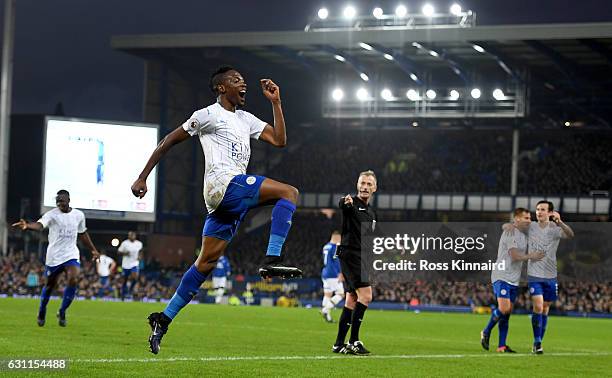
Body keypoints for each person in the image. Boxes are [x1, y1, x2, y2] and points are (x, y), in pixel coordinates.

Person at [131, 66, 301, 354]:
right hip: (224, 185)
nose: (243, 84)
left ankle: (163, 319)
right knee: (289, 192)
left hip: (224, 202)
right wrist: (143, 176)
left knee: (205, 263)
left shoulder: (245, 119)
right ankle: (272, 258)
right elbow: (168, 141)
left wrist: (276, 102)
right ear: (221, 88)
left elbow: (280, 140)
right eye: (236, 80)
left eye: (243, 81)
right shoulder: (207, 115)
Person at [12, 190, 99, 327]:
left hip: (71, 254)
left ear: (68, 200)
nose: (60, 204)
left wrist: (93, 250)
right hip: (54, 257)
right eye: (57, 201)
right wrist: (28, 225)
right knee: (50, 286)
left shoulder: (78, 215)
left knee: (73, 279)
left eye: (62, 201)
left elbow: (83, 234)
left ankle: (62, 311)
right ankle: (42, 310)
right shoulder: (51, 215)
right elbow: (40, 225)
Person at [480, 208, 544, 353]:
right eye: (526, 218)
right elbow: (514, 255)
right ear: (517, 219)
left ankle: (502, 346)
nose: (529, 220)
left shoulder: (525, 233)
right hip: (501, 275)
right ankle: (486, 331)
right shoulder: (510, 232)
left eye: (530, 218)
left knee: (507, 312)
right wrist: (532, 256)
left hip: (514, 279)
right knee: (503, 308)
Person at [332, 170, 377, 355]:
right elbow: (343, 204)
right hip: (350, 255)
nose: (365, 187)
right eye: (362, 183)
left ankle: (339, 343)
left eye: (369, 184)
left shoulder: (371, 213)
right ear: (357, 184)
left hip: (362, 257)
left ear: (374, 188)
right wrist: (345, 202)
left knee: (352, 299)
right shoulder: (351, 204)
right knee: (366, 296)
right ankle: (354, 341)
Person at [527, 200, 574, 354]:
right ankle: (537, 341)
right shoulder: (530, 226)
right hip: (534, 274)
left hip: (550, 275)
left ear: (550, 212)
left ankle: (538, 342)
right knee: (539, 306)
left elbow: (570, 234)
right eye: (537, 209)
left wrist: (560, 222)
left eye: (542, 209)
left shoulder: (554, 229)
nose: (539, 212)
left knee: (545, 308)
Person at [321, 231, 344, 323]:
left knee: (328, 294)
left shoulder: (326, 246)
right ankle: (325, 310)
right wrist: (339, 273)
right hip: (332, 274)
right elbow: (336, 261)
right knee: (341, 294)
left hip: (325, 272)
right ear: (337, 237)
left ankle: (328, 317)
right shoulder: (335, 247)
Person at [117, 231, 142, 299]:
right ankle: (123, 294)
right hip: (126, 264)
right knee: (125, 280)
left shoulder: (139, 243)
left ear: (135, 236)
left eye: (132, 235)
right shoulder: (125, 243)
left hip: (134, 263)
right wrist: (125, 253)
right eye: (129, 235)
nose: (131, 236)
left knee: (135, 277)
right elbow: (118, 252)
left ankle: (130, 289)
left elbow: (140, 252)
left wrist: (140, 256)